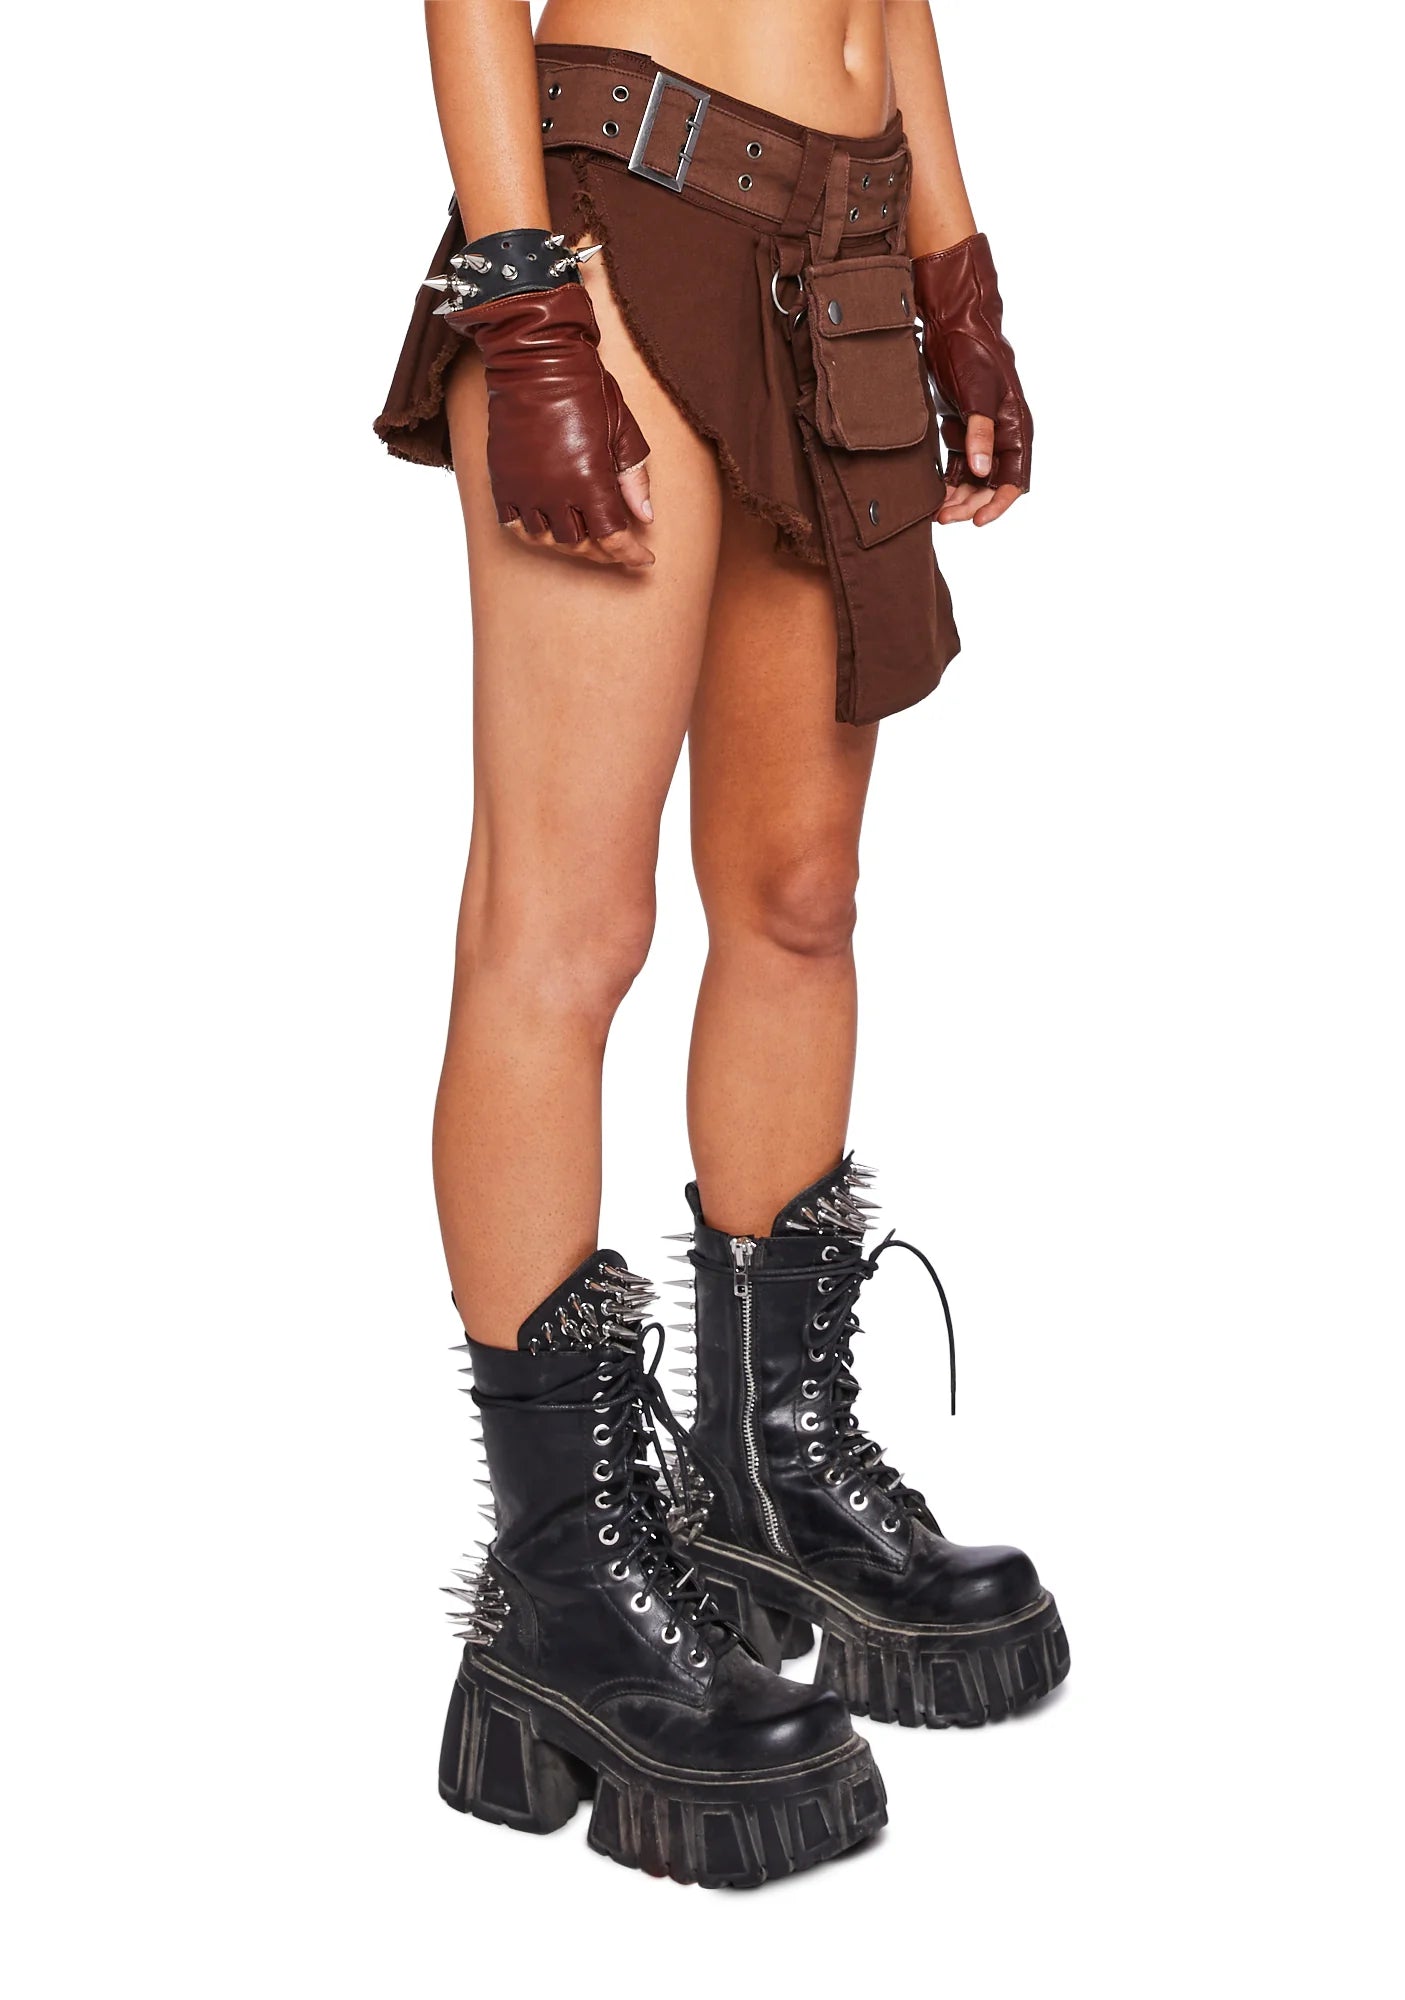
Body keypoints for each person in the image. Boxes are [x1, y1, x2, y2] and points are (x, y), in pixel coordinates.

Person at [376, 0, 1067, 1887]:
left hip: (838, 237)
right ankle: (561, 1598)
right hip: (618, 219)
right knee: (565, 927)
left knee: (797, 896)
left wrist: (953, 273)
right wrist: (523, 301)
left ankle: (773, 1478)